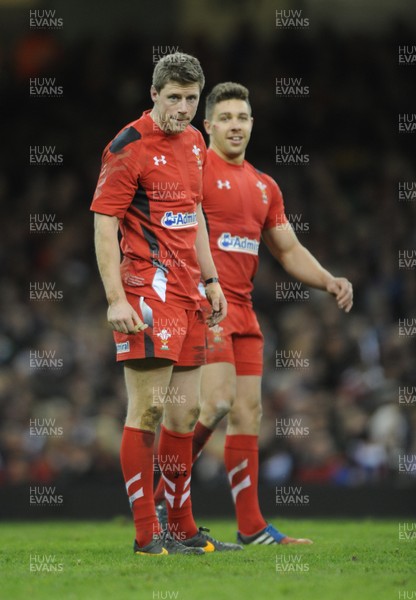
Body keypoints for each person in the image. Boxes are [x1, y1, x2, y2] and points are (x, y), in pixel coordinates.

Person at [154, 82, 353, 545]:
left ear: (252, 124)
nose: (235, 125)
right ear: (207, 127)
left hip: (244, 310)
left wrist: (328, 279)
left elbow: (287, 248)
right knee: (218, 401)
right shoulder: (194, 170)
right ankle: (167, 489)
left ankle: (251, 528)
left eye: (242, 117)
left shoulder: (265, 186)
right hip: (205, 303)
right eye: (225, 118)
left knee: (248, 413)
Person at [91, 57, 242, 555]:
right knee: (150, 410)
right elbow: (104, 223)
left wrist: (211, 279)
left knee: (185, 415)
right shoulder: (127, 147)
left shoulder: (197, 143)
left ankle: (181, 527)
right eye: (173, 97)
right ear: (152, 93)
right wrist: (115, 299)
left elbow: (194, 212)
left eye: (191, 99)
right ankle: (144, 537)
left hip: (189, 295)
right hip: (146, 294)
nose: (182, 107)